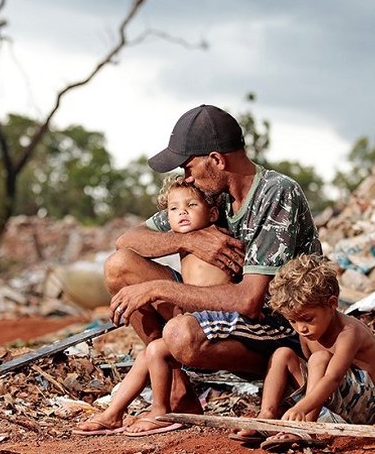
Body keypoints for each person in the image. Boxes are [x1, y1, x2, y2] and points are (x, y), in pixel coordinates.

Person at [105, 104, 322, 418]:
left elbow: (249, 301)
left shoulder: (276, 193)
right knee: (119, 265)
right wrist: (187, 240)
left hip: (278, 329)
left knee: (180, 335)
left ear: (217, 160)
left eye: (189, 167)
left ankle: (279, 385)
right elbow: (127, 240)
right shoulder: (210, 193)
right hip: (222, 318)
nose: (187, 178)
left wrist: (156, 289)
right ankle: (179, 391)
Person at [74, 175, 231, 436]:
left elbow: (221, 293)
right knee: (148, 353)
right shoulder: (185, 228)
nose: (182, 212)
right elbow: (125, 240)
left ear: (213, 213)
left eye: (191, 206)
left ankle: (161, 409)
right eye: (174, 209)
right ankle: (113, 413)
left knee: (155, 350)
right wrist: (183, 241)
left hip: (215, 319)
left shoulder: (218, 236)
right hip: (191, 310)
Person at [241, 254, 375, 451]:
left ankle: (306, 429)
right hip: (331, 404)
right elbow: (314, 376)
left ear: (332, 304)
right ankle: (267, 417)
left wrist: (301, 407)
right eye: (293, 321)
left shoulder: (349, 333)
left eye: (308, 319)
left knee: (319, 358)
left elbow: (333, 377)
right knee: (283, 354)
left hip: (368, 407)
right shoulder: (307, 333)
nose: (301, 328)